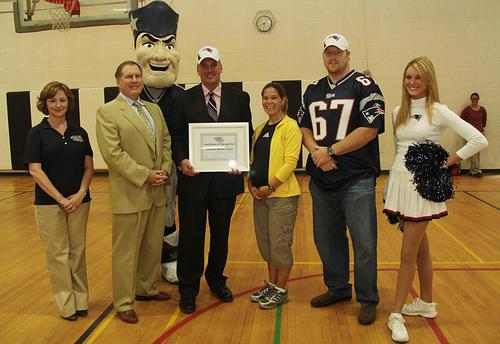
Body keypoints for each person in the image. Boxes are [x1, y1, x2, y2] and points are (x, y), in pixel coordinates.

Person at [383, 56, 488, 342]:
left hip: (421, 189)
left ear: (428, 81)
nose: (412, 83)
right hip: (400, 185)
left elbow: (478, 139)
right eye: (408, 77)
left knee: (407, 253)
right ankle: (426, 304)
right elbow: (399, 152)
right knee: (420, 249)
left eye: (418, 78)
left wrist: (447, 163)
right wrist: (391, 184)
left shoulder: (438, 111)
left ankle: (396, 314)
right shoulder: (397, 112)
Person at [297, 33, 385, 325]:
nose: (332, 58)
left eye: (338, 53)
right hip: (322, 179)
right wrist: (316, 152)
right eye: (328, 53)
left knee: (364, 243)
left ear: (348, 54)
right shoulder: (313, 89)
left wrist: (330, 150)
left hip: (356, 179)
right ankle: (337, 288)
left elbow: (370, 129)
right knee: (326, 239)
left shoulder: (365, 85)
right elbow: (305, 126)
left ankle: (368, 299)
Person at [170, 46, 253, 314]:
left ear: (221, 66)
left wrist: (240, 161)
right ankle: (188, 289)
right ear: (197, 70)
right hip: (193, 182)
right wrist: (182, 160)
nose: (209, 70)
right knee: (191, 238)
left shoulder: (240, 98)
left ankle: (216, 280)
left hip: (225, 182)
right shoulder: (183, 99)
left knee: (221, 236)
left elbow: (245, 133)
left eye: (213, 64)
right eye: (204, 65)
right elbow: (177, 138)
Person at [95, 61, 173, 324]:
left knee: (152, 246)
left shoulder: (154, 109)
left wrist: (164, 168)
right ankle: (124, 302)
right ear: (118, 81)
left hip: (157, 190)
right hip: (131, 192)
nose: (134, 80)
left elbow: (165, 142)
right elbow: (113, 154)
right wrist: (144, 175)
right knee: (126, 252)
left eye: (137, 76)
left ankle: (147, 288)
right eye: (128, 76)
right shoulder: (107, 112)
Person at [24, 81, 94, 321]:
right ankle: (67, 305)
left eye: (62, 100)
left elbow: (88, 167)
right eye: (52, 100)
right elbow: (35, 170)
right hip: (48, 204)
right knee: (58, 254)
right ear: (44, 104)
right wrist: (61, 198)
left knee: (78, 251)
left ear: (69, 103)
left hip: (79, 202)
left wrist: (81, 193)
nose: (58, 104)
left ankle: (81, 300)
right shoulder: (36, 133)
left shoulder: (79, 132)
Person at [129, 0, 184, 284]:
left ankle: (169, 259)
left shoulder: (182, 96)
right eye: (150, 44)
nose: (161, 54)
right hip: (139, 172)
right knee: (142, 218)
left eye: (169, 45)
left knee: (168, 214)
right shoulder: (130, 99)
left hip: (174, 168)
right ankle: (143, 268)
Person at [248, 82, 302, 310]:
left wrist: (270, 187)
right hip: (260, 197)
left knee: (280, 245)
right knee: (267, 245)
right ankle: (272, 284)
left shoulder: (290, 127)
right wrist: (250, 185)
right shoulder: (260, 129)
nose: (269, 102)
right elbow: (251, 161)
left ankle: (281, 290)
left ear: (283, 100)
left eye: (273, 97)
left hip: (281, 197)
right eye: (265, 98)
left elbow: (291, 162)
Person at [460, 92, 487, 177]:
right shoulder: (467, 110)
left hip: (480, 133)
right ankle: (476, 171)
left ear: (478, 99)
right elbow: (461, 121)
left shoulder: (482, 109)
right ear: (471, 100)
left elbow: (484, 120)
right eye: (473, 99)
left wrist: (481, 128)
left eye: (476, 99)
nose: (474, 100)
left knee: (477, 153)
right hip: (470, 134)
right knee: (474, 152)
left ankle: (473, 171)